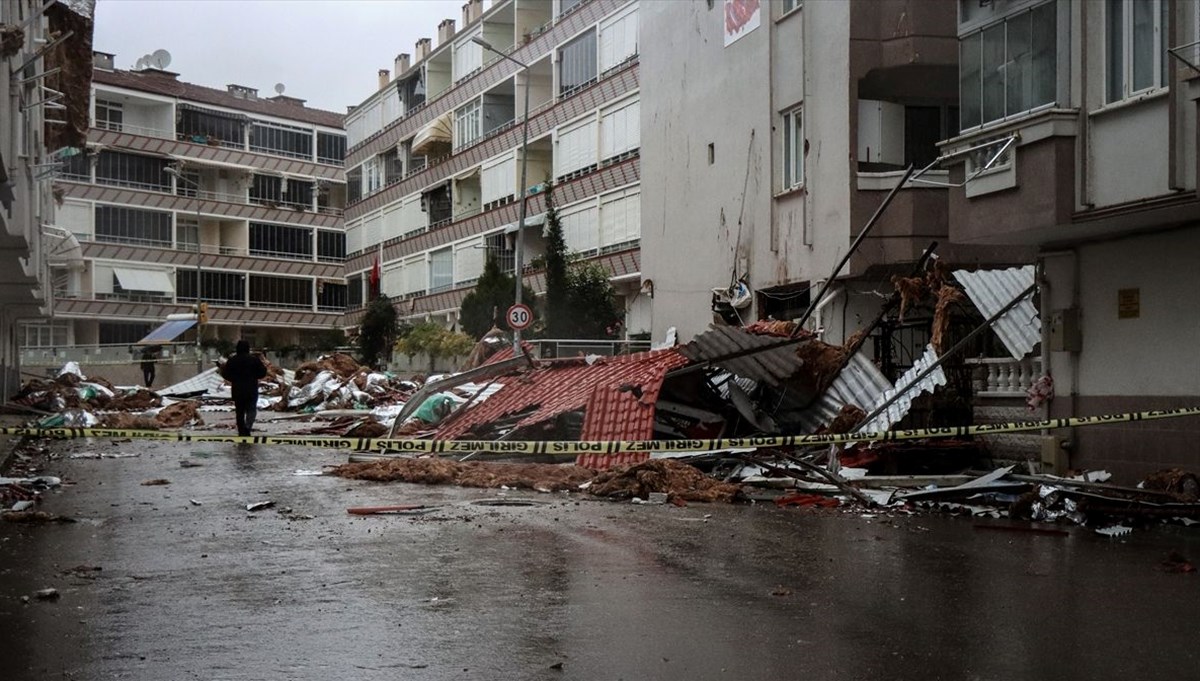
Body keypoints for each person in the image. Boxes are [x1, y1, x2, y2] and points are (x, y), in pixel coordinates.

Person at [220, 340, 267, 437]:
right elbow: (262, 372)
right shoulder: (254, 360)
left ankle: (241, 430)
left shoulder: (232, 360)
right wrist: (254, 376)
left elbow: (225, 373)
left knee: (239, 411)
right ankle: (248, 427)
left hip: (237, 390)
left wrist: (234, 379)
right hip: (251, 389)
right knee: (251, 409)